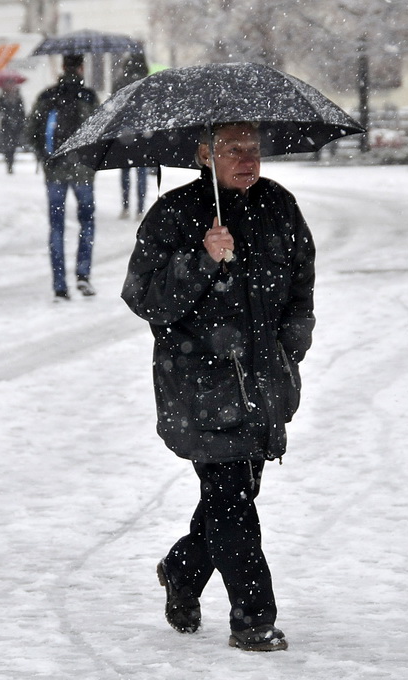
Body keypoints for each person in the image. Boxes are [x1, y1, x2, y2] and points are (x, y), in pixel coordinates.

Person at [121, 122, 315, 653]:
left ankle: (182, 570)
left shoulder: (280, 207)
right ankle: (253, 619)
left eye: (253, 148)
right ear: (204, 154)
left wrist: (288, 350)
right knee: (231, 501)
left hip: (265, 382)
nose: (247, 158)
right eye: (233, 149)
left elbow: (302, 286)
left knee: (233, 495)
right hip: (200, 386)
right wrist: (202, 260)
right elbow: (144, 298)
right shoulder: (175, 213)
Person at [26, 54, 99, 301]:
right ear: (81, 68)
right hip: (82, 171)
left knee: (56, 227)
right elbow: (99, 132)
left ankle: (59, 284)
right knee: (86, 222)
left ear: (62, 67)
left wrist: (45, 157)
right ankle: (83, 275)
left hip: (55, 169)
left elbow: (31, 130)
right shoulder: (88, 96)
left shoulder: (48, 96)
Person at [112, 53, 150, 219]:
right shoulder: (148, 83)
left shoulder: (121, 82)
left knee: (125, 172)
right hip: (142, 133)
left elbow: (114, 108)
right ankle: (140, 209)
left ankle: (125, 206)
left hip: (124, 134)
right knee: (141, 172)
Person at [0, 82, 25, 174]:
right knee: (11, 145)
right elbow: (22, 112)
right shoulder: (15, 98)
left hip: (9, 125)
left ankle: (9, 162)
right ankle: (10, 163)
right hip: (10, 125)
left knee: (9, 145)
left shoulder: (4, 98)